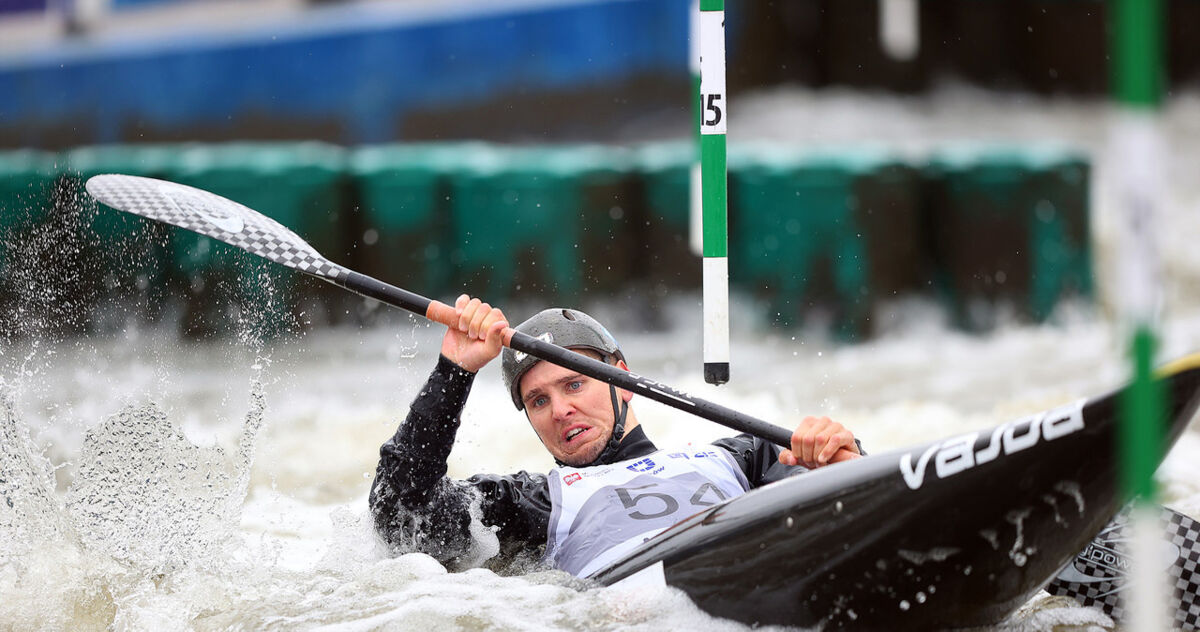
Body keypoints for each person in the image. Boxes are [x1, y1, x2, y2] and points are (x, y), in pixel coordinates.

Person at [370, 295, 863, 577]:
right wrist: (453, 372)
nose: (560, 409)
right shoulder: (533, 502)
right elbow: (400, 520)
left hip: (750, 569)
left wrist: (838, 455)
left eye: (574, 384)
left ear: (622, 380)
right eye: (537, 400)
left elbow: (848, 504)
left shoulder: (743, 456)